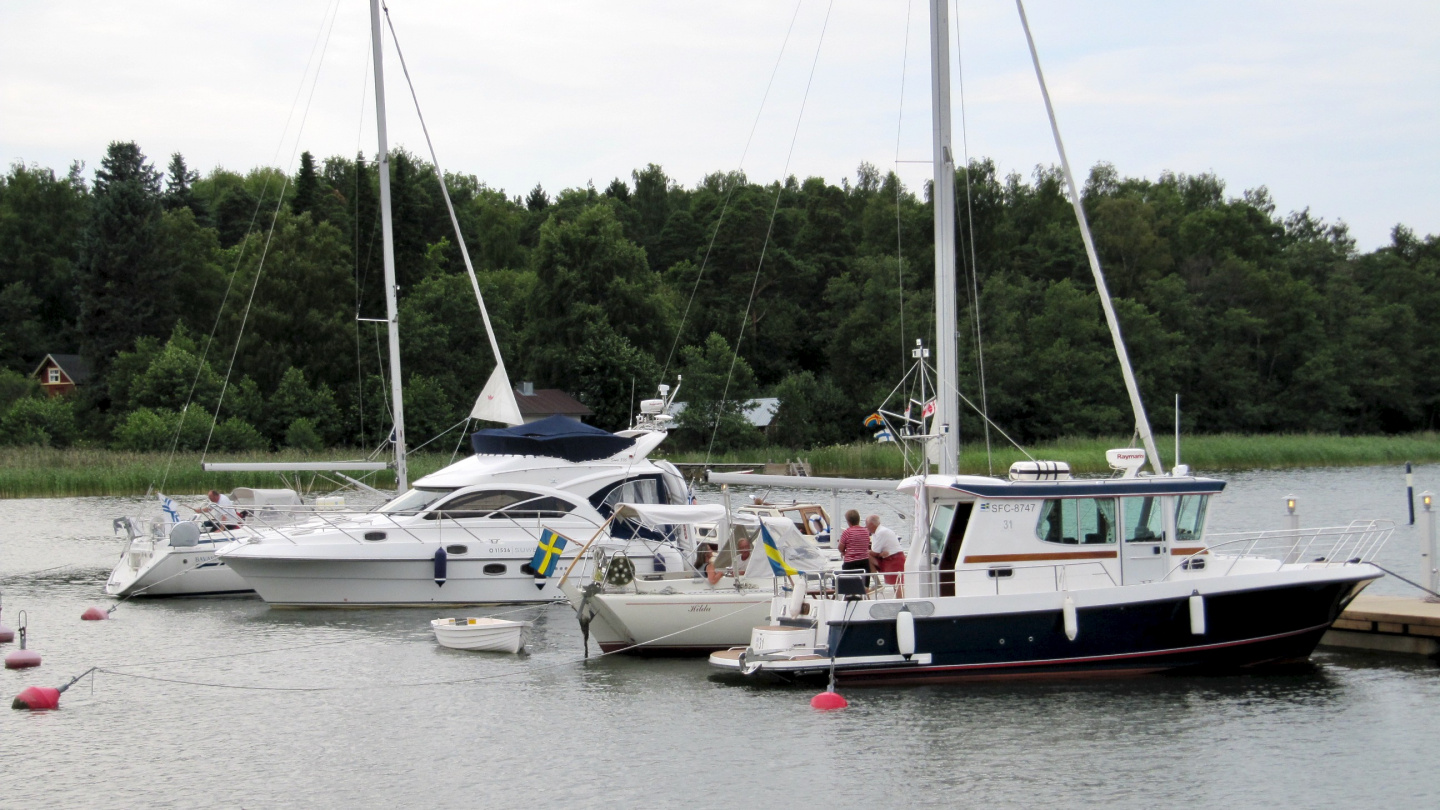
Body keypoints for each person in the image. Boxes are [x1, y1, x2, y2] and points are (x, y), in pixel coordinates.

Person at [836, 509, 871, 600]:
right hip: (864, 563)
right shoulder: (866, 531)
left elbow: (840, 547)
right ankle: (865, 599)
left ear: (848, 521)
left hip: (850, 564)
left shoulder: (847, 532)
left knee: (849, 587)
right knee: (864, 587)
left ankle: (849, 598)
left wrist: (843, 552)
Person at [867, 514, 907, 594]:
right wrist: (880, 554)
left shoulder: (881, 532)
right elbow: (876, 552)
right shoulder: (877, 532)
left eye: (867, 524)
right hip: (888, 558)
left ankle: (900, 603)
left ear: (871, 524)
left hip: (895, 559)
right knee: (867, 557)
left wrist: (865, 550)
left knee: (898, 584)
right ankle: (877, 583)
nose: (866, 527)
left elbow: (874, 552)